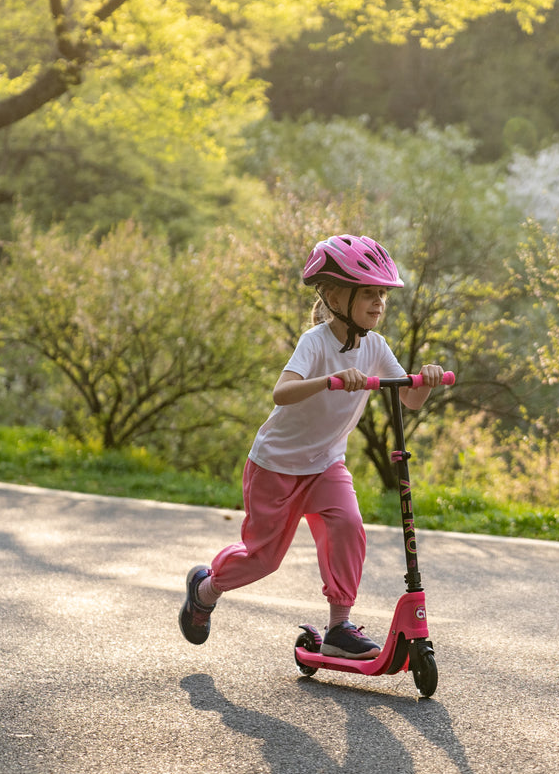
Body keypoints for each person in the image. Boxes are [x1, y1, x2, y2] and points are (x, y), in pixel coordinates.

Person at [179, 234, 445, 659]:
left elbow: (409, 399)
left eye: (382, 294)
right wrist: (330, 380)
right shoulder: (315, 342)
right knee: (263, 559)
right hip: (276, 465)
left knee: (348, 526)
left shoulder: (375, 346)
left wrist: (425, 381)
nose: (379, 303)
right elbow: (281, 392)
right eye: (369, 293)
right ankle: (204, 590)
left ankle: (339, 627)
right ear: (336, 297)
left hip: (325, 464)